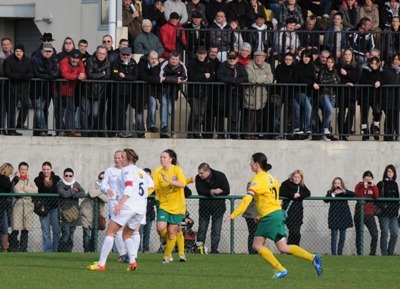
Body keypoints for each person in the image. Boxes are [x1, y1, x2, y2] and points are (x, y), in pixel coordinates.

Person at [224, 153, 322, 279]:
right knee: (283, 247)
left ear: (256, 164)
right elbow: (269, 199)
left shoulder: (257, 179)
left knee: (257, 245)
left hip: (270, 216)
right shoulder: (272, 178)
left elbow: (247, 199)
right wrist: (261, 215)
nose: (249, 164)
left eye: (251, 161)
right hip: (277, 213)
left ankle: (280, 269)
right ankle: (313, 257)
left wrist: (233, 215)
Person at [88, 148, 153, 271]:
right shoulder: (141, 172)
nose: (120, 159)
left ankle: (101, 264)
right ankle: (133, 262)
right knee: (127, 234)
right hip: (140, 209)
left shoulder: (126, 170)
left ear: (127, 158)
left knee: (110, 232)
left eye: (122, 157)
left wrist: (120, 204)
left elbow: (128, 187)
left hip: (128, 206)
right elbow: (150, 185)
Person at [153, 149, 187, 263]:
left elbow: (182, 184)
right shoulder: (157, 171)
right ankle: (170, 245)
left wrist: (167, 180)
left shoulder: (177, 170)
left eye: (164, 157)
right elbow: (154, 186)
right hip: (163, 204)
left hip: (177, 206)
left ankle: (168, 256)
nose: (161, 159)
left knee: (174, 231)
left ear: (170, 159)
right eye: (161, 157)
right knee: (161, 228)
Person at [195, 163, 230, 254]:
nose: (200, 175)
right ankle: (199, 249)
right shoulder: (198, 178)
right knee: (202, 229)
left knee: (216, 230)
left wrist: (219, 193)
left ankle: (214, 250)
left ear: (208, 171)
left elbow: (227, 190)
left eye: (202, 173)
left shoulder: (220, 176)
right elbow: (200, 191)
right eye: (199, 173)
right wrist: (213, 191)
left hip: (218, 208)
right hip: (204, 208)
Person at [100, 150, 127, 262]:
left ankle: (130, 254)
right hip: (114, 203)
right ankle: (123, 254)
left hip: (127, 202)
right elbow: (103, 185)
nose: (116, 160)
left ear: (123, 158)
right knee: (117, 228)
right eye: (115, 157)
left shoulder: (128, 171)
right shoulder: (110, 171)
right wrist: (107, 189)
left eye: (119, 158)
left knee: (130, 229)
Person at [3, 43, 34, 136]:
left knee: (25, 105)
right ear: (14, 51)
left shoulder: (28, 61)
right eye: (17, 51)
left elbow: (31, 73)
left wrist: (21, 77)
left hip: (24, 89)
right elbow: (8, 73)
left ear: (23, 52)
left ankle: (20, 124)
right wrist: (21, 77)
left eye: (20, 51)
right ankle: (11, 130)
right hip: (11, 89)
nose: (18, 53)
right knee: (11, 110)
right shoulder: (8, 61)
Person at [216, 50, 248, 139]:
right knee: (221, 113)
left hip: (235, 93)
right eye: (230, 58)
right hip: (223, 93)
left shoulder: (240, 66)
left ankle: (233, 133)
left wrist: (234, 81)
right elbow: (220, 77)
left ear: (237, 59)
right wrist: (234, 81)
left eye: (234, 58)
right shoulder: (222, 66)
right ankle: (221, 133)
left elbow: (245, 78)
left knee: (234, 113)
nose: (232, 60)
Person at [81, 45, 111, 137]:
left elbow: (108, 76)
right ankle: (86, 131)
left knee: (95, 113)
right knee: (86, 112)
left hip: (100, 92)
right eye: (99, 53)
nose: (101, 55)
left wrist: (97, 74)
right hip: (88, 90)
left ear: (106, 54)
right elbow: (90, 75)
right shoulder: (90, 60)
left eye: (103, 54)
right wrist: (102, 73)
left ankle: (93, 131)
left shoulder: (108, 62)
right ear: (96, 53)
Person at [243, 50, 273, 139]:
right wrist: (263, 77)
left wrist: (257, 81)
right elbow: (250, 79)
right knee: (250, 117)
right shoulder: (249, 66)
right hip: (252, 95)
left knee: (258, 117)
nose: (259, 59)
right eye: (257, 57)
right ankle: (247, 134)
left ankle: (253, 134)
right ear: (254, 58)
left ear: (264, 58)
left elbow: (270, 80)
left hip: (262, 95)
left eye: (261, 57)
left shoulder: (267, 66)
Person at [31, 43, 59, 136]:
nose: (47, 53)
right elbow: (36, 73)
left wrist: (47, 74)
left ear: (52, 52)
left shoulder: (53, 59)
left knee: (42, 109)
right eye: (46, 51)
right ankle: (43, 129)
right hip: (36, 89)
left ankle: (42, 129)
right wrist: (49, 75)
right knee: (39, 109)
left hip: (46, 89)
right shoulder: (36, 58)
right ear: (42, 51)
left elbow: (55, 74)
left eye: (49, 51)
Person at [111, 47, 140, 138]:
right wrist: (125, 77)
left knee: (134, 110)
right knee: (120, 112)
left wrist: (124, 76)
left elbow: (135, 76)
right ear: (120, 54)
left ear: (130, 55)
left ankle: (128, 130)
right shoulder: (116, 62)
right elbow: (115, 76)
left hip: (130, 91)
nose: (125, 56)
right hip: (119, 91)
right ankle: (121, 130)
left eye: (127, 55)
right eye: (123, 54)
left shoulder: (133, 62)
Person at [9, 162, 38, 252]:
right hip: (17, 207)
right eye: (22, 169)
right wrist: (27, 191)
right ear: (19, 170)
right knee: (16, 228)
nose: (24, 171)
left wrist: (24, 189)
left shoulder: (30, 180)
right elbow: (17, 191)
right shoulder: (15, 179)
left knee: (26, 230)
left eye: (25, 169)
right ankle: (13, 248)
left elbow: (35, 191)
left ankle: (23, 248)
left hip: (28, 208)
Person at [187, 46, 215, 139]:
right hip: (194, 92)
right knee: (195, 112)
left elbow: (212, 78)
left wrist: (202, 77)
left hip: (205, 92)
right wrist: (204, 76)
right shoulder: (191, 63)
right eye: (200, 54)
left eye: (203, 54)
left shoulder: (209, 63)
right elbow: (192, 77)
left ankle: (197, 132)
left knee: (201, 113)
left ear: (206, 54)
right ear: (197, 54)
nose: (201, 56)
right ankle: (190, 132)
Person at [57, 49, 87, 137]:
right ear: (70, 57)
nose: (75, 60)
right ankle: (61, 130)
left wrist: (83, 76)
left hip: (70, 91)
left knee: (71, 110)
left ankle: (70, 130)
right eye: (73, 58)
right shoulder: (64, 61)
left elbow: (83, 74)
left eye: (77, 59)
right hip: (58, 90)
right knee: (59, 112)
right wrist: (77, 77)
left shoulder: (80, 63)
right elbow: (65, 74)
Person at [33, 161, 61, 252]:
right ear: (42, 170)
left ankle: (55, 250)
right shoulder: (37, 180)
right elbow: (37, 192)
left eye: (48, 169)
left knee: (56, 230)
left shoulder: (56, 179)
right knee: (45, 231)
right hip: (43, 208)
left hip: (54, 207)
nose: (46, 171)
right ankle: (48, 250)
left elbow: (58, 190)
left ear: (51, 169)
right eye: (44, 169)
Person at [159, 51, 188, 138]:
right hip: (163, 90)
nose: (174, 61)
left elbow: (185, 78)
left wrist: (168, 79)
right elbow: (161, 77)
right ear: (169, 58)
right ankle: (164, 126)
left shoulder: (182, 65)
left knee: (169, 110)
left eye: (176, 59)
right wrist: (175, 80)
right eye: (173, 59)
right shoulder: (164, 64)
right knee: (164, 105)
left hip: (174, 91)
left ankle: (165, 129)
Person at [324, 177, 355, 255]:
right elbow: (326, 200)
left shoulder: (345, 192)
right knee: (334, 237)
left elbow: (353, 195)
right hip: (334, 217)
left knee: (342, 237)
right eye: (335, 183)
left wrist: (343, 190)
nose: (337, 185)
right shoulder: (330, 192)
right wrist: (334, 194)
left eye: (338, 183)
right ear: (333, 184)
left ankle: (340, 253)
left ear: (341, 184)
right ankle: (334, 254)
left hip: (343, 216)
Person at [57, 168, 85, 252]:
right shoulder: (60, 184)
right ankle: (61, 251)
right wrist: (74, 191)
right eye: (66, 175)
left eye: (70, 176)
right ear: (64, 176)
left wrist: (72, 194)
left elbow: (83, 193)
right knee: (65, 233)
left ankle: (69, 251)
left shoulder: (76, 183)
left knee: (71, 234)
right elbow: (64, 194)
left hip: (74, 213)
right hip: (63, 213)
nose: (68, 177)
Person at [279, 169, 311, 246]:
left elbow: (307, 193)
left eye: (298, 177)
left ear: (301, 178)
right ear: (292, 177)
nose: (296, 179)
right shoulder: (286, 183)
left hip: (298, 212)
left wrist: (299, 195)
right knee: (292, 231)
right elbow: (281, 192)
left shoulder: (301, 186)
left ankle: (294, 248)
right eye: (295, 177)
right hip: (288, 211)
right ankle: (290, 248)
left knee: (296, 232)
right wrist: (292, 194)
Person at [292, 49, 318, 138]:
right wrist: (311, 83)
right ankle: (307, 128)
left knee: (303, 110)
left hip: (309, 92)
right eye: (304, 57)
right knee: (308, 107)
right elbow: (300, 78)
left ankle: (302, 129)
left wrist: (312, 82)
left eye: (307, 57)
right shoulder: (298, 66)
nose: (306, 59)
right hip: (299, 91)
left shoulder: (311, 67)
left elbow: (314, 78)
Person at [80, 171, 109, 253]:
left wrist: (98, 191)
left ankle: (92, 251)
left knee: (94, 234)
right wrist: (102, 190)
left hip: (97, 215)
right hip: (86, 212)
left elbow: (107, 199)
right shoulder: (93, 184)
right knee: (86, 233)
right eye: (100, 178)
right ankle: (86, 250)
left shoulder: (109, 187)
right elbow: (92, 194)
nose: (101, 180)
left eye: (104, 178)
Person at [335, 48, 359, 141]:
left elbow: (355, 78)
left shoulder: (356, 66)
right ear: (343, 56)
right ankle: (342, 134)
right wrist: (345, 83)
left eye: (349, 54)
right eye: (346, 54)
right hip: (342, 91)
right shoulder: (338, 66)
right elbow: (337, 79)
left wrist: (346, 74)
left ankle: (346, 130)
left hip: (352, 92)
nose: (347, 56)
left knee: (351, 111)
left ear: (352, 56)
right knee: (341, 112)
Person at [354, 170, 379, 255]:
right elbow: (358, 196)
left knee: (375, 234)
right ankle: (359, 253)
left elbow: (376, 196)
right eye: (366, 179)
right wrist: (364, 187)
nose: (367, 181)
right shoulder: (358, 186)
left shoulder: (373, 186)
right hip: (359, 214)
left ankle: (372, 253)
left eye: (369, 179)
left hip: (369, 214)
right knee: (359, 234)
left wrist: (372, 186)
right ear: (363, 179)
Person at [138, 50, 163, 134]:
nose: (154, 60)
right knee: (139, 110)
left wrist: (154, 67)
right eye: (152, 58)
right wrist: (156, 79)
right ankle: (140, 128)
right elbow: (143, 77)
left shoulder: (158, 65)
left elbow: (156, 76)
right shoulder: (141, 63)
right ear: (148, 57)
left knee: (152, 104)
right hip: (141, 90)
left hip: (151, 90)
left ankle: (151, 125)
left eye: (156, 58)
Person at [376, 165, 399, 256]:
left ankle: (390, 253)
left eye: (392, 171)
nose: (390, 173)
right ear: (386, 172)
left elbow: (397, 198)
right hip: (383, 213)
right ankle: (384, 254)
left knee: (395, 233)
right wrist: (383, 206)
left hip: (393, 213)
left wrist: (397, 209)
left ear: (394, 173)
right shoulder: (381, 184)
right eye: (388, 171)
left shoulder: (395, 184)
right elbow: (377, 198)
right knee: (385, 232)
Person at [359, 56, 383, 141]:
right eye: (372, 63)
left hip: (376, 97)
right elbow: (362, 80)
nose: (373, 65)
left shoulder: (381, 71)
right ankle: (365, 132)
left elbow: (384, 80)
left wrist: (380, 82)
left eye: (375, 64)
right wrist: (374, 82)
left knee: (378, 112)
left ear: (378, 64)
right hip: (365, 96)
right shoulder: (366, 70)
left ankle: (375, 127)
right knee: (364, 114)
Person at [318, 56, 341, 141]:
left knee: (327, 113)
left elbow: (338, 81)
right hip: (324, 94)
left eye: (332, 62)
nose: (330, 64)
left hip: (333, 95)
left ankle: (323, 134)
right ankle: (323, 129)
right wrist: (332, 80)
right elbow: (321, 81)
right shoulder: (323, 70)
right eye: (328, 62)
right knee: (330, 111)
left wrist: (331, 80)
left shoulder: (335, 71)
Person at [381, 53, 400, 141]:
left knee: (396, 118)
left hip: (398, 99)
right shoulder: (387, 71)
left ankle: (395, 134)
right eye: (395, 59)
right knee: (390, 117)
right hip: (389, 99)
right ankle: (388, 135)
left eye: (398, 59)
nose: (396, 61)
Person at [141, 168, 156, 253]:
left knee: (147, 233)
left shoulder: (153, 189)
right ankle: (138, 249)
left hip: (149, 214)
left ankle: (146, 249)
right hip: (140, 213)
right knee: (138, 232)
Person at [0, 37, 13, 134]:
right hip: (2, 85)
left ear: (11, 45)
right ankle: (2, 129)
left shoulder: (16, 55)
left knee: (12, 108)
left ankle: (11, 129)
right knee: (2, 109)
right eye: (4, 44)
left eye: (7, 44)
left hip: (13, 86)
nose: (6, 46)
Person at [0, 163, 14, 252]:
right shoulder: (2, 178)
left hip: (3, 207)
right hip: (1, 206)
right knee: (3, 227)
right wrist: (16, 178)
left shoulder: (6, 179)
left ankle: (4, 248)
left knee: (4, 228)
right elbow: (9, 188)